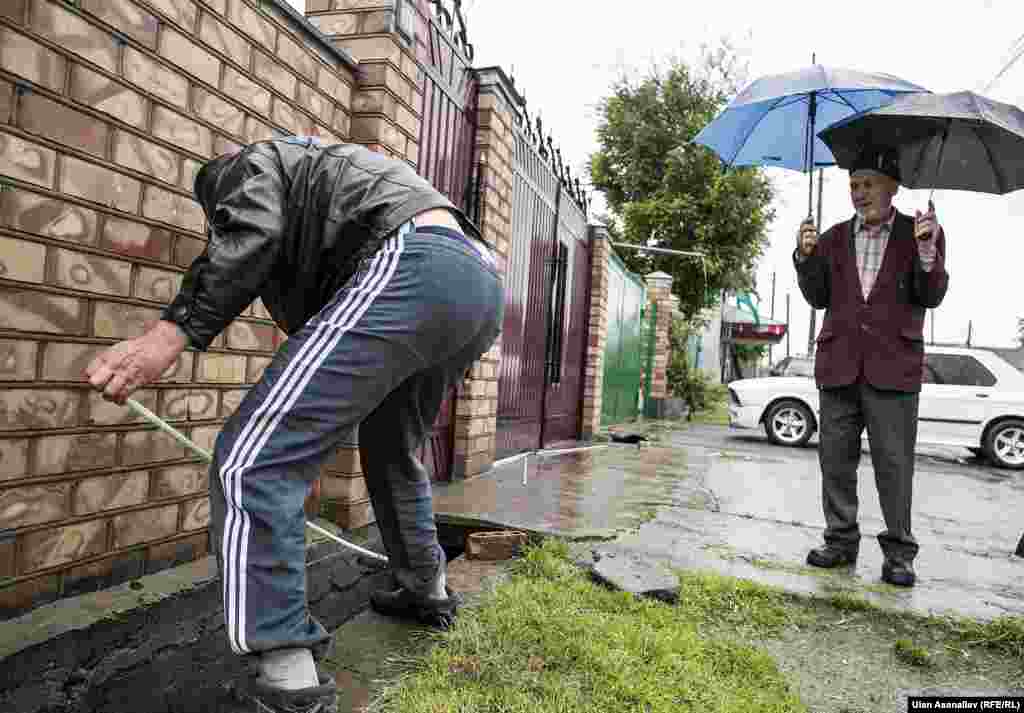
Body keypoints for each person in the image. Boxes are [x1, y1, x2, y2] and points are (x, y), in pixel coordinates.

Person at [84, 136, 504, 712]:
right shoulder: (322, 189)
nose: (220, 224)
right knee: (391, 449)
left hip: (417, 260)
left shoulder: (247, 167)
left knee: (251, 462)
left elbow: (248, 235)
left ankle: (288, 678)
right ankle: (425, 589)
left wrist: (168, 335)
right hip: (477, 280)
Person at [794, 145, 948, 588]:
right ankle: (840, 542)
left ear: (892, 188)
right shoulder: (832, 237)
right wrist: (806, 258)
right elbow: (819, 297)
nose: (859, 194)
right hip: (839, 365)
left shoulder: (920, 233)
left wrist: (926, 250)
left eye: (868, 186)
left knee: (894, 465)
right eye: (854, 186)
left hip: (893, 368)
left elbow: (932, 294)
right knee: (835, 461)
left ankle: (899, 553)